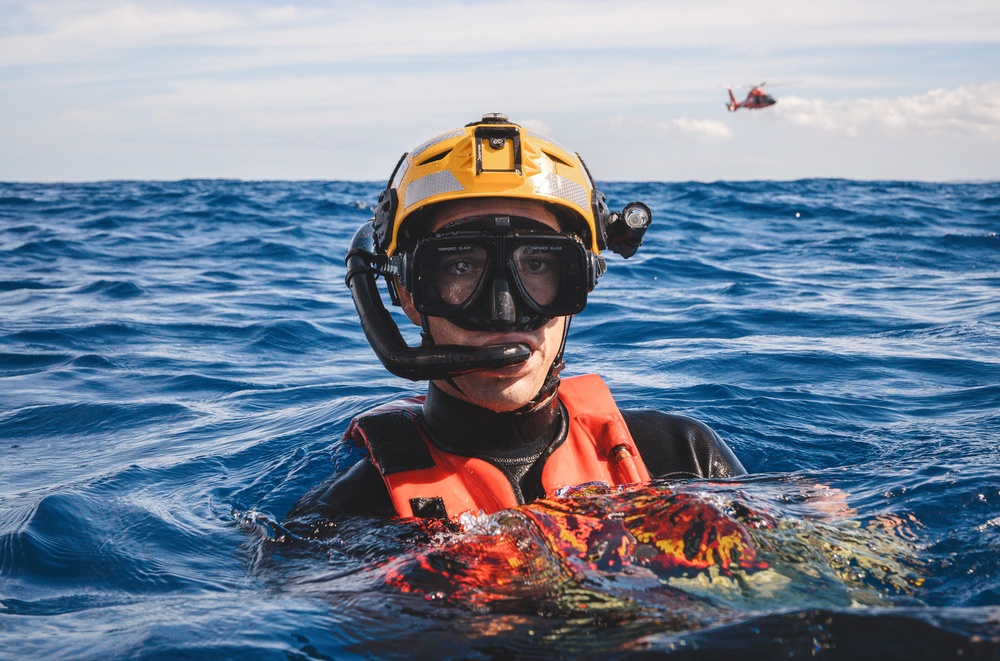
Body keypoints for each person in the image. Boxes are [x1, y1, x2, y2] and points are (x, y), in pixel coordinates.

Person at [291, 113, 745, 521]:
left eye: (539, 265)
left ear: (581, 282)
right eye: (461, 268)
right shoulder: (346, 517)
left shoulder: (683, 459)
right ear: (408, 295)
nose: (504, 313)